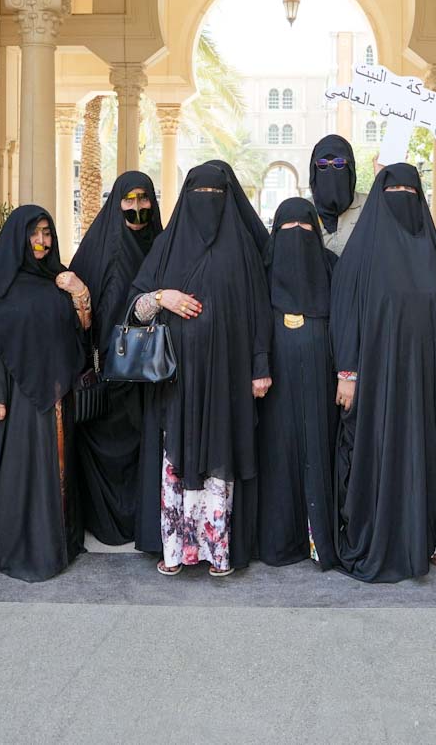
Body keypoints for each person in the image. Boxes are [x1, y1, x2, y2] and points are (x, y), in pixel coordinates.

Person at [330, 163, 436, 582]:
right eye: (393, 189)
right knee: (375, 453)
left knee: (433, 454)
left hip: (431, 381)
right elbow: (345, 316)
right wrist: (347, 374)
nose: (402, 197)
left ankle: (435, 537)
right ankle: (381, 535)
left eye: (410, 191)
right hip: (376, 383)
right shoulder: (362, 252)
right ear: (379, 195)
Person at [129, 164, 272, 577]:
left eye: (216, 191)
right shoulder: (167, 246)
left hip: (227, 375)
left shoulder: (243, 248)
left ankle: (218, 550)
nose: (207, 199)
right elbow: (135, 308)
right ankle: (175, 549)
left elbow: (260, 310)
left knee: (219, 454)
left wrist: (260, 367)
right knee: (178, 454)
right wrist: (163, 296)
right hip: (176, 379)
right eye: (199, 190)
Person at [0, 206, 92, 581]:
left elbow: (82, 331)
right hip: (15, 399)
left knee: (55, 472)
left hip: (54, 397)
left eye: (46, 234)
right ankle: (18, 548)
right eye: (33, 234)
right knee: (17, 474)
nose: (40, 242)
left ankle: (55, 547)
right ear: (16, 238)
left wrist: (80, 292)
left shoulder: (57, 279)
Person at [68, 172, 162, 545]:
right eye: (129, 199)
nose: (137, 207)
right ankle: (107, 520)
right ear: (116, 201)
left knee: (144, 443)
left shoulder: (162, 243)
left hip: (152, 369)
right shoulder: (102, 246)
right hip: (110, 368)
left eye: (144, 199)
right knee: (109, 442)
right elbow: (78, 310)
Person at [254, 197, 341, 568]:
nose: (297, 236)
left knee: (319, 449)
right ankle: (281, 541)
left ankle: (319, 539)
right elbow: (255, 322)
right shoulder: (263, 269)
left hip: (324, 380)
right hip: (275, 384)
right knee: (279, 451)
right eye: (287, 229)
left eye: (306, 229)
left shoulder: (332, 267)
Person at [308, 134, 368, 257]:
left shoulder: (368, 205)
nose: (331, 170)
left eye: (339, 163)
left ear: (350, 168)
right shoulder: (305, 209)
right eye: (323, 164)